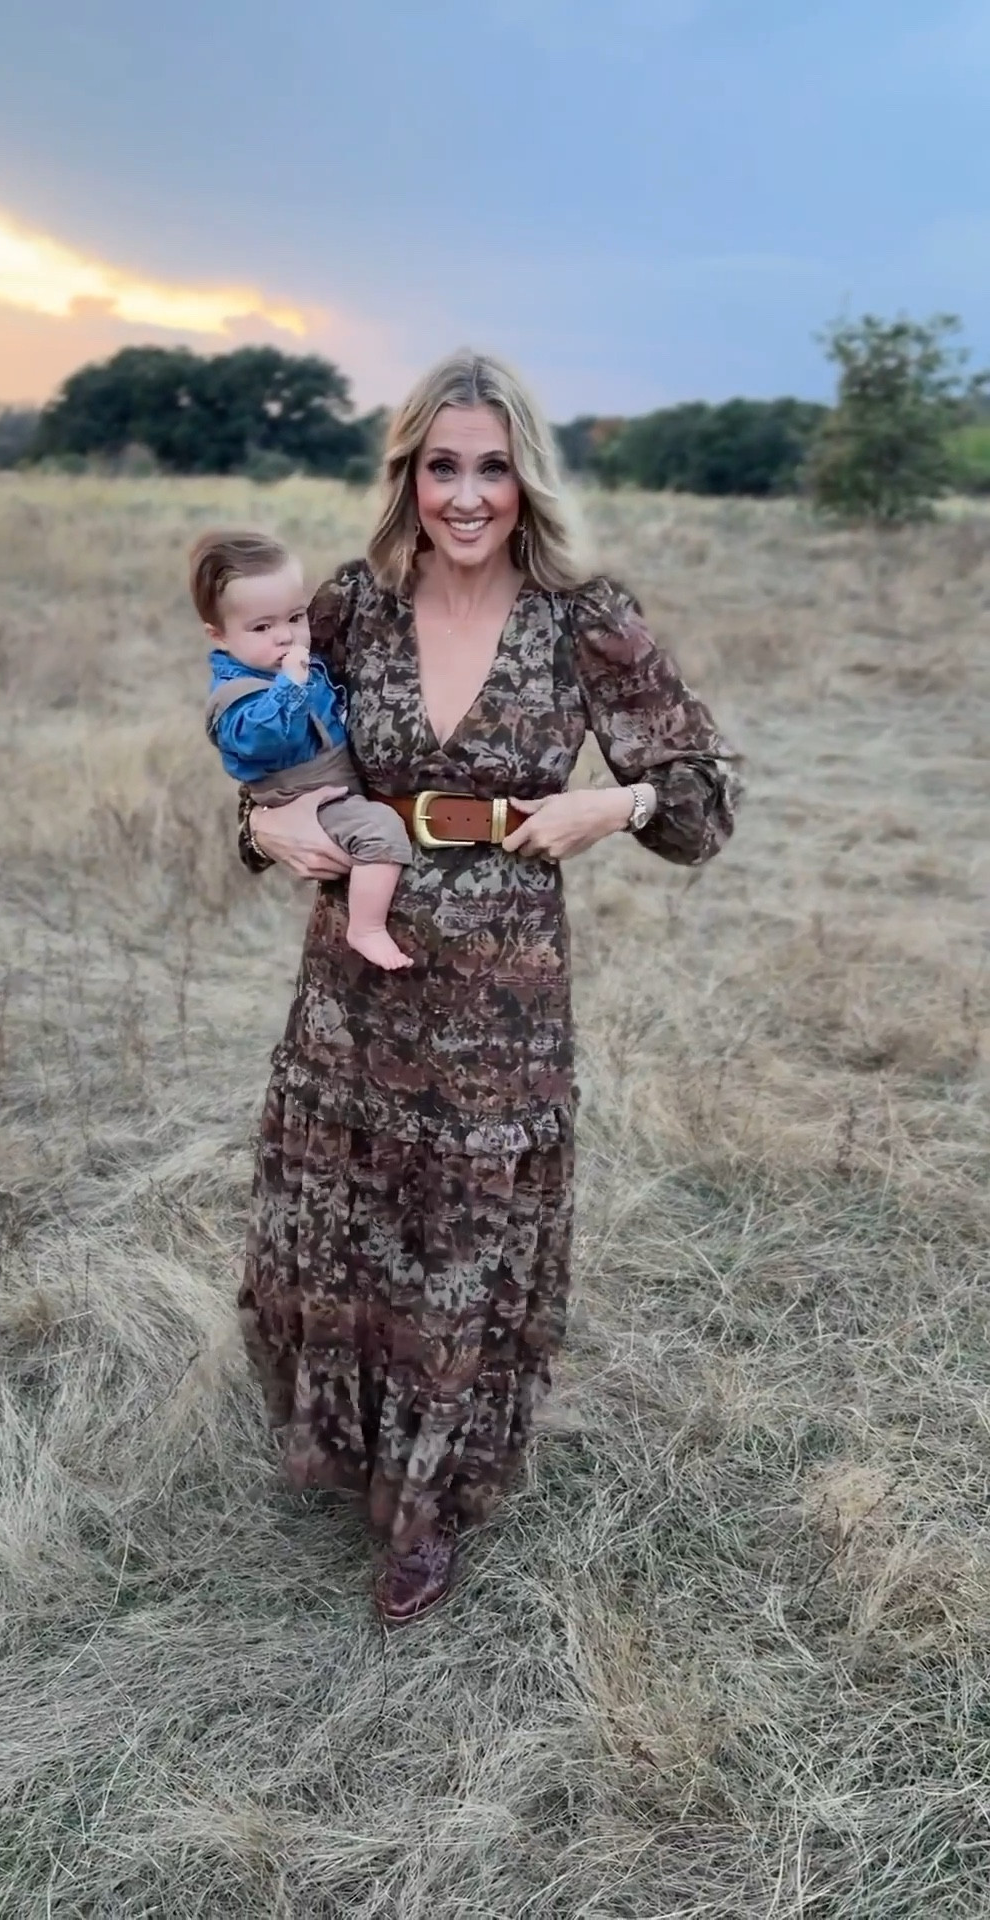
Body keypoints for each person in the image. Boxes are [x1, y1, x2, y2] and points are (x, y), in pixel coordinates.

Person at [236, 349, 741, 1627]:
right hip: (357, 974)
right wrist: (265, 831)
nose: (467, 496)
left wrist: (611, 802)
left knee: (465, 1234)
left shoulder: (585, 616)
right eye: (442, 466)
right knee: (355, 1215)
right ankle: (352, 1451)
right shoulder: (350, 605)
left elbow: (705, 798)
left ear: (528, 477)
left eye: (493, 468)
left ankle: (431, 1508)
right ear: (408, 474)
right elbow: (271, 760)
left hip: (506, 986)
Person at [193, 530, 412, 970]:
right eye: (262, 627)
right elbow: (258, 739)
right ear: (218, 636)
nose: (285, 636)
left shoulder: (296, 661)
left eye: (295, 618)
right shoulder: (243, 690)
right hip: (305, 793)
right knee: (380, 831)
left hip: (332, 781)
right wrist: (290, 687)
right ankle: (366, 926)